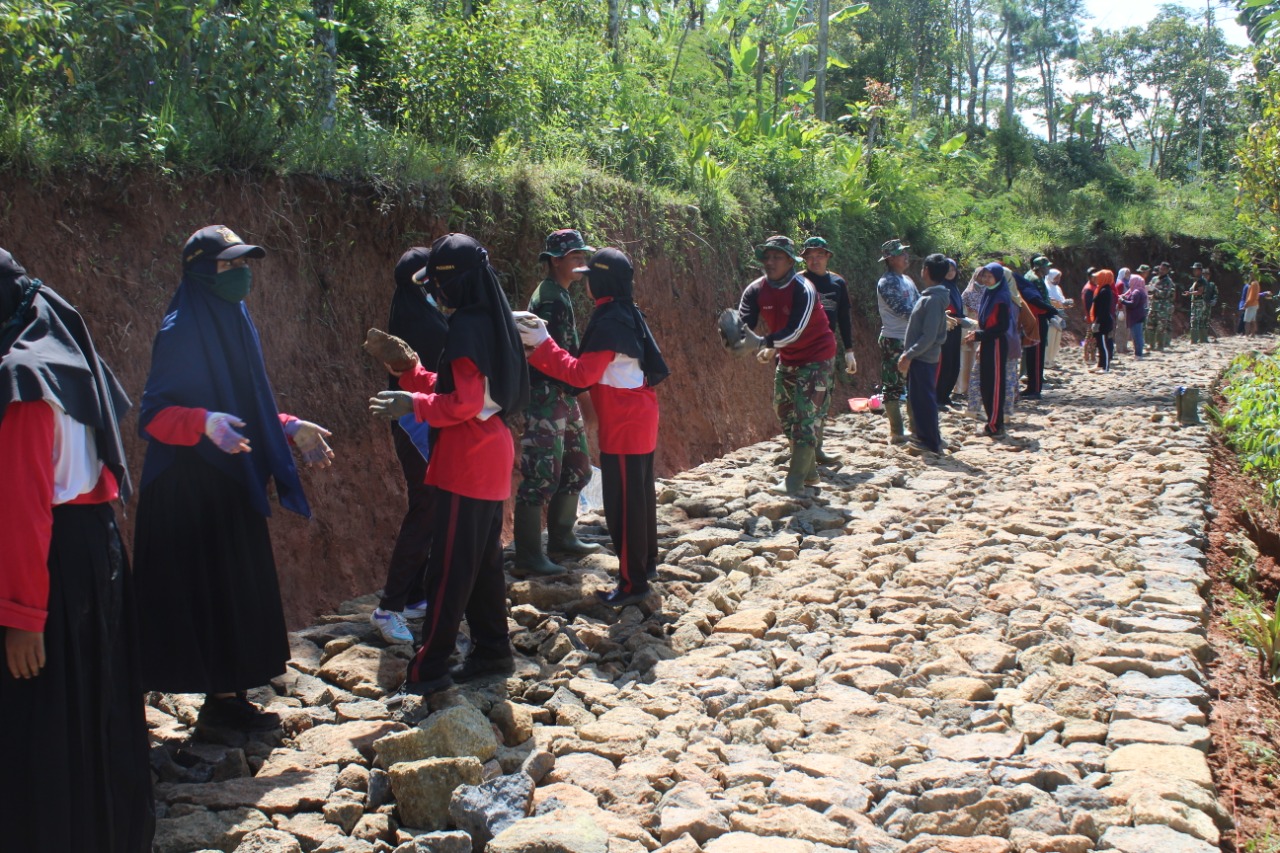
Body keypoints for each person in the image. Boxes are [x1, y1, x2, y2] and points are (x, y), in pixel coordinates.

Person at [133, 225, 335, 735]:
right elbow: (153, 416)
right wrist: (202, 422)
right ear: (201, 271)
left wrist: (288, 427)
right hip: (187, 487)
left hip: (228, 476)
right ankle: (217, 704)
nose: (241, 274)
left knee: (237, 588)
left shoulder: (235, 318)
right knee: (208, 593)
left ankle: (229, 697)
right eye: (228, 265)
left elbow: (249, 400)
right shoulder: (181, 328)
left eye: (243, 264)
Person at [0, 248, 154, 851]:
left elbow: (23, 508)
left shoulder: (21, 377)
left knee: (47, 722)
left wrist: (22, 616)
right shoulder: (66, 360)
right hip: (99, 555)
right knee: (100, 708)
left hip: (50, 569)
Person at [369, 233, 530, 695]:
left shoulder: (467, 327)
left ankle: (429, 668)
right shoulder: (492, 318)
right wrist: (412, 369)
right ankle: (493, 650)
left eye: (436, 284)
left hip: (468, 458)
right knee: (482, 565)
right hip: (490, 454)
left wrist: (412, 403)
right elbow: (462, 389)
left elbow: (462, 402)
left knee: (448, 572)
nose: (434, 295)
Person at [519, 248, 670, 607]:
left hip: (625, 422)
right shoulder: (626, 312)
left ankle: (633, 585)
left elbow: (581, 375)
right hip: (639, 414)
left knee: (624, 506)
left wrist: (540, 343)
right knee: (640, 496)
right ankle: (645, 565)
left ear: (600, 282)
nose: (585, 283)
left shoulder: (609, 321)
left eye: (590, 277)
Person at [368, 248, 450, 645]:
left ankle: (416, 594)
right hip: (415, 422)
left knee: (429, 506)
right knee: (426, 507)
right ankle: (389, 607)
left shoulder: (418, 310)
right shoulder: (418, 317)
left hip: (420, 416)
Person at [513, 229, 602, 577]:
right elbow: (555, 356)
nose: (582, 263)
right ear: (555, 261)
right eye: (575, 257)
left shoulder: (559, 295)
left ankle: (562, 536)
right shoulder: (549, 297)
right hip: (547, 396)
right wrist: (584, 395)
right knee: (539, 476)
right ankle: (528, 555)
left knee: (579, 467)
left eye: (583, 256)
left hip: (563, 394)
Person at [737, 235, 835, 495]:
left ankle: (794, 482)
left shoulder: (804, 289)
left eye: (777, 257)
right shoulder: (755, 289)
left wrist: (763, 344)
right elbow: (743, 322)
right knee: (784, 413)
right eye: (767, 257)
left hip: (817, 356)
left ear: (791, 261)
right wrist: (735, 337)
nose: (770, 262)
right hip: (788, 358)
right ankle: (810, 472)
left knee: (805, 418)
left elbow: (795, 332)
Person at [799, 237, 856, 463]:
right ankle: (798, 451)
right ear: (804, 259)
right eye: (810, 256)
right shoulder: (798, 282)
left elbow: (844, 317)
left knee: (821, 398)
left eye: (819, 255)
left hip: (825, 350)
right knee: (798, 401)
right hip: (799, 349)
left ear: (828, 256)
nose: (815, 260)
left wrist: (849, 350)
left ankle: (817, 448)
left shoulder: (837, 284)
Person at [897, 254, 951, 453]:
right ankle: (931, 437)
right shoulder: (932, 297)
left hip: (924, 358)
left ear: (926, 271)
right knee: (920, 398)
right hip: (923, 356)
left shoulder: (934, 300)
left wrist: (909, 354)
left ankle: (929, 441)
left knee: (923, 399)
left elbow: (928, 336)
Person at [874, 239, 920, 444]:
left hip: (910, 338)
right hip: (893, 339)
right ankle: (897, 431)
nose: (905, 256)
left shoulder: (907, 280)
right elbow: (903, 310)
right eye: (901, 254)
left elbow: (919, 304)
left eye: (905, 253)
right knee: (893, 386)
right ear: (890, 259)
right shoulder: (887, 282)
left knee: (913, 384)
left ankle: (914, 427)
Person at [967, 263, 1013, 438]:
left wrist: (979, 335)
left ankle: (995, 425)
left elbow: (1002, 327)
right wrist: (980, 338)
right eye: (984, 276)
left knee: (994, 385)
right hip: (988, 341)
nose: (986, 279)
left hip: (996, 344)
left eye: (989, 276)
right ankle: (991, 422)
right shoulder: (988, 292)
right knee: (985, 383)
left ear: (998, 278)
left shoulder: (1001, 297)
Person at [1020, 255, 1057, 399]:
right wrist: (1052, 312)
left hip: (1033, 317)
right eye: (1046, 266)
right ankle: (1034, 388)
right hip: (1036, 318)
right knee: (1036, 352)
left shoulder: (1031, 277)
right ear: (1040, 268)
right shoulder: (1035, 280)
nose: (1048, 268)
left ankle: (1032, 387)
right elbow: (1038, 301)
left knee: (1033, 352)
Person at [935, 258, 965, 408]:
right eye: (947, 270)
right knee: (945, 363)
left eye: (952, 270)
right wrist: (960, 320)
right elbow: (946, 311)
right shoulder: (940, 287)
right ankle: (938, 396)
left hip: (956, 330)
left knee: (954, 363)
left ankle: (945, 395)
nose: (950, 273)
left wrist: (964, 320)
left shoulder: (954, 288)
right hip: (945, 328)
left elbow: (959, 311)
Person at [1043, 268, 1073, 368]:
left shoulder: (1058, 288)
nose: (1058, 280)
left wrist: (1066, 304)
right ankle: (1046, 361)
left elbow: (1061, 300)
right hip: (1050, 317)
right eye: (1056, 277)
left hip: (1059, 316)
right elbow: (1048, 301)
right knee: (1049, 339)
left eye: (1059, 278)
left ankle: (1052, 360)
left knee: (1056, 341)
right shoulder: (1045, 287)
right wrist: (1058, 303)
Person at [1090, 269, 1118, 372]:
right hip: (1101, 320)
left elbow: (1103, 309)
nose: (1096, 279)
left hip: (1103, 322)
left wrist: (1097, 322)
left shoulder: (1105, 291)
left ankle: (1105, 367)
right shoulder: (1101, 289)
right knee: (1100, 344)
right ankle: (1100, 364)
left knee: (1104, 344)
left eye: (1098, 277)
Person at [1120, 268, 1148, 359]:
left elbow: (1132, 304)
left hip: (1135, 316)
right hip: (1138, 316)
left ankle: (1138, 354)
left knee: (1137, 336)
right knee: (1138, 335)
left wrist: (1122, 301)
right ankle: (1138, 353)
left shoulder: (1136, 292)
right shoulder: (1140, 290)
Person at [1147, 262, 1175, 352]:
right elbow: (1150, 289)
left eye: (1163, 269)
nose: (1161, 271)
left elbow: (1165, 294)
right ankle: (1151, 345)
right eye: (1160, 268)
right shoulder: (1154, 279)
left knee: (1161, 327)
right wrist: (1149, 290)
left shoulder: (1168, 281)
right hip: (1153, 306)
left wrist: (1155, 290)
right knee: (1150, 326)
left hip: (1162, 308)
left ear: (1167, 271)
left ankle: (1160, 345)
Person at [1188, 262, 1212, 344]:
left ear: (1199, 270)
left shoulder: (1201, 280)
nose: (1194, 271)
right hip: (1196, 302)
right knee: (1201, 321)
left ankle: (1194, 340)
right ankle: (1203, 339)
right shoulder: (1197, 280)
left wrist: (1189, 293)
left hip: (1198, 303)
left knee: (1195, 320)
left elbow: (1200, 292)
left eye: (1195, 270)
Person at [1080, 269, 1098, 366]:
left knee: (1093, 337)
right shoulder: (1088, 289)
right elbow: (1088, 305)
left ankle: (1092, 356)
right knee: (1090, 337)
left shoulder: (1093, 287)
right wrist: (1092, 316)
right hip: (1091, 316)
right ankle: (1088, 356)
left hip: (1093, 316)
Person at [1113, 268, 1131, 355]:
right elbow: (1118, 298)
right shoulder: (1120, 284)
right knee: (1121, 328)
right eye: (1126, 273)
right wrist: (1120, 309)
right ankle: (1120, 347)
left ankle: (1125, 346)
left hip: (1127, 306)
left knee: (1127, 328)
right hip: (1122, 307)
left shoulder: (1129, 283)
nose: (1128, 275)